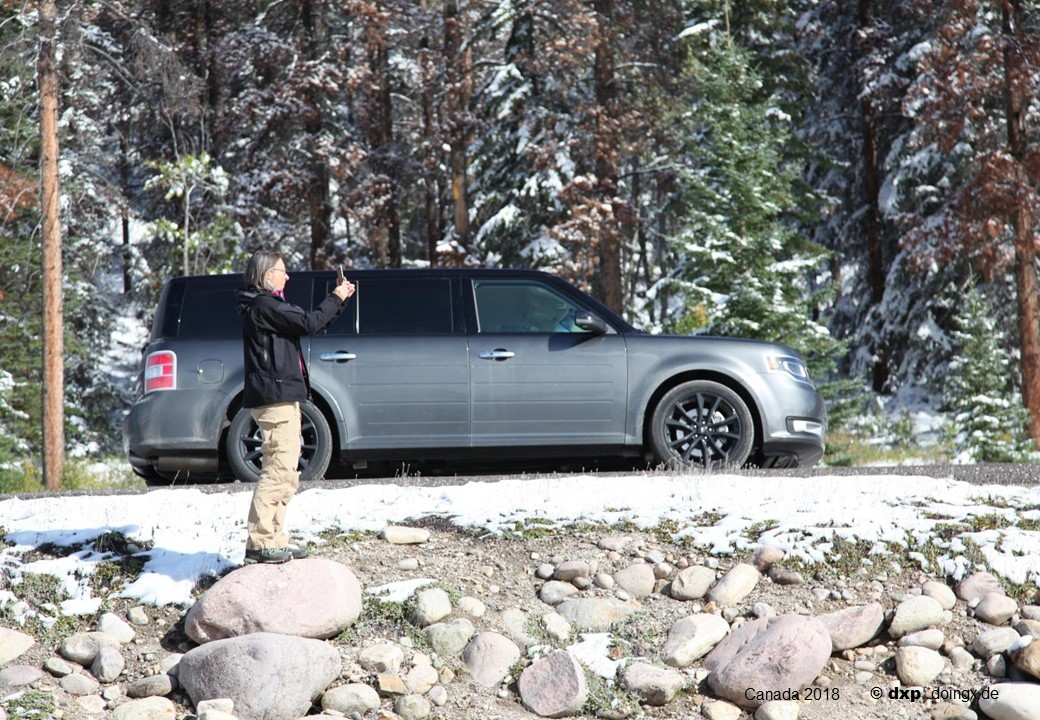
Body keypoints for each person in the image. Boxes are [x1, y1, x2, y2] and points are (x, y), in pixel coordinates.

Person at [235, 250, 355, 564]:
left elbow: (311, 324)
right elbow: (308, 322)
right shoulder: (265, 306)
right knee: (278, 469)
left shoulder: (268, 306)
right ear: (267, 274)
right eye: (282, 271)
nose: (287, 276)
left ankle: (274, 538)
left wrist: (339, 301)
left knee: (288, 472)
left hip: (282, 396)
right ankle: (260, 542)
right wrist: (336, 296)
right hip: (274, 398)